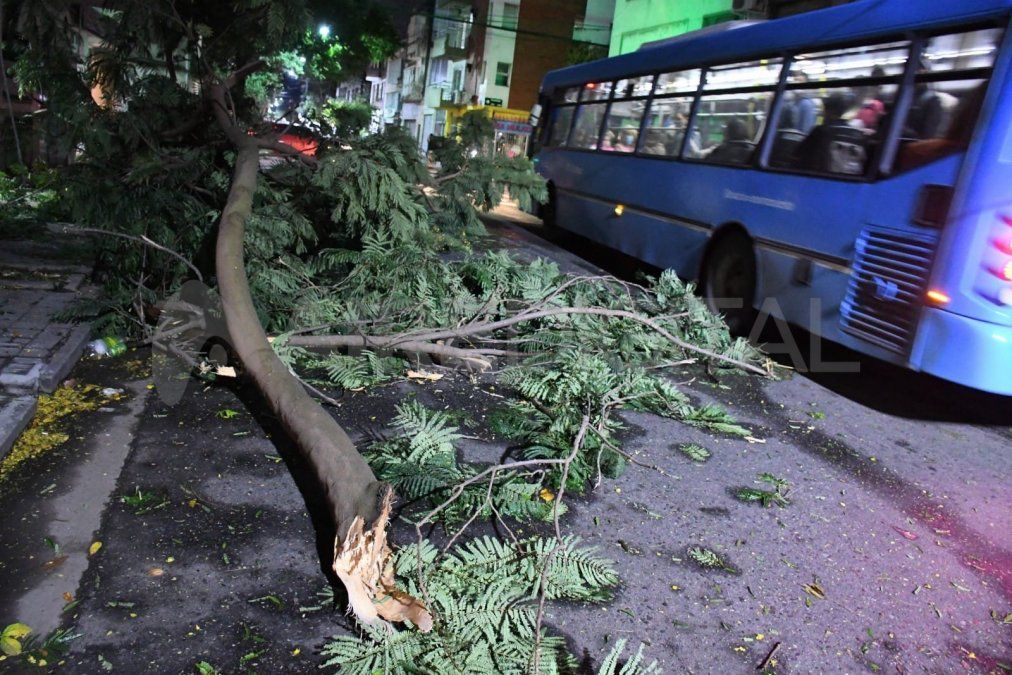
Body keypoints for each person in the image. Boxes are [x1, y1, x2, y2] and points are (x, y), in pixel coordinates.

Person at [795, 91, 864, 173]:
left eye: (824, 109)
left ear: (829, 111)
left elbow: (798, 154)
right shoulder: (854, 133)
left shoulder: (820, 131)